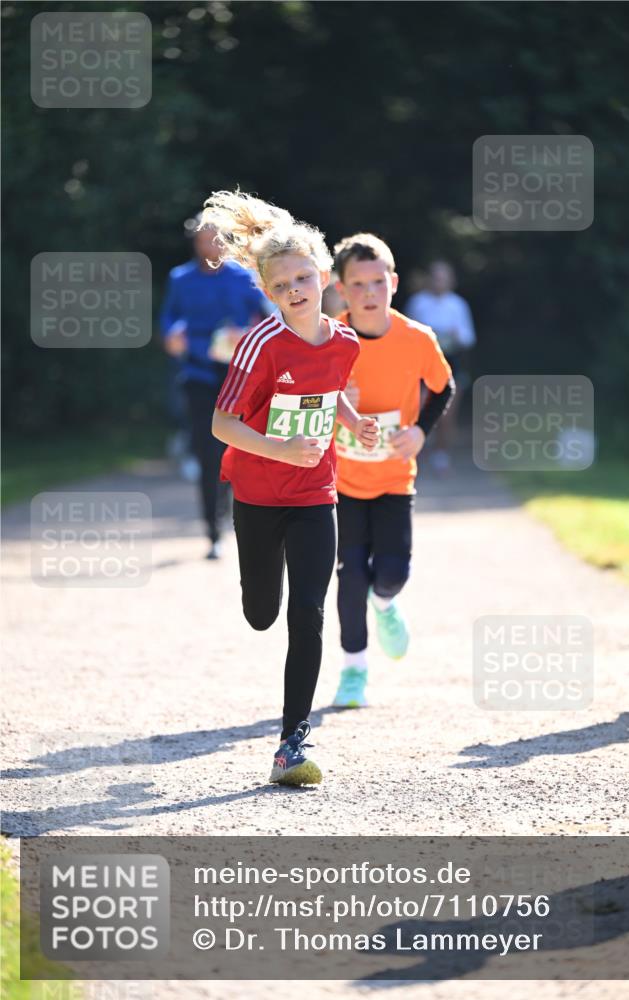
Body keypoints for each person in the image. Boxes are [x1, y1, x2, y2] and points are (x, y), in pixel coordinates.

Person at [204, 192, 380, 785]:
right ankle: (259, 586)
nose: (296, 290)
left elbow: (328, 395)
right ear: (268, 292)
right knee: (262, 614)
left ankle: (290, 745)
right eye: (282, 285)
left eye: (304, 277)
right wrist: (279, 449)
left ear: (324, 277)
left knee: (308, 611)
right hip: (257, 493)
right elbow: (221, 424)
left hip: (314, 493)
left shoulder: (346, 342)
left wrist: (353, 421)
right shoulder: (261, 344)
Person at [331, 234, 455, 709]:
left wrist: (421, 432)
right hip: (341, 482)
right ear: (341, 289)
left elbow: (444, 388)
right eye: (358, 284)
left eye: (377, 282)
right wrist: (336, 403)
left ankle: (384, 603)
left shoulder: (417, 338)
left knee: (392, 573)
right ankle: (354, 670)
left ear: (394, 283)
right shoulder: (329, 340)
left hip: (393, 479)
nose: (369, 293)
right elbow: (302, 399)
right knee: (350, 578)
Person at [160, 215, 270, 558]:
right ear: (194, 243)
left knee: (244, 451)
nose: (209, 247)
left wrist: (246, 333)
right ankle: (213, 532)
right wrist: (171, 336)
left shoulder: (245, 278)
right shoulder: (180, 278)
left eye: (215, 240)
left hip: (240, 376)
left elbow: (269, 319)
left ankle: (248, 523)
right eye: (202, 241)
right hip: (199, 376)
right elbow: (169, 319)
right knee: (208, 455)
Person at [405, 260, 476, 471]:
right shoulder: (418, 303)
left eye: (443, 278)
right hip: (421, 365)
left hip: (450, 363)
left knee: (447, 413)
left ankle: (441, 454)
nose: (439, 282)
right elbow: (406, 333)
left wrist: (455, 334)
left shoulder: (458, 305)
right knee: (416, 409)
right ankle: (414, 453)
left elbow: (468, 337)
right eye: (436, 278)